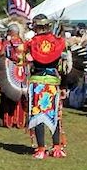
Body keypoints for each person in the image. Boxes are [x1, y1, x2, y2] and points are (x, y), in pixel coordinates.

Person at [26, 16, 67, 159]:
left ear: (35, 27)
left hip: (37, 83)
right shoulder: (58, 42)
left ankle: (41, 149)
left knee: (38, 114)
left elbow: (25, 61)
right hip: (53, 83)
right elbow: (64, 67)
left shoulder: (31, 43)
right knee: (54, 114)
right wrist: (65, 85)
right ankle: (56, 148)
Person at [0, 22, 28, 128]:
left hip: (10, 71)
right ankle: (21, 120)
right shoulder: (24, 43)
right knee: (21, 95)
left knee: (8, 95)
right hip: (22, 72)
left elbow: (1, 54)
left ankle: (8, 120)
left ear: (11, 32)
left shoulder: (7, 43)